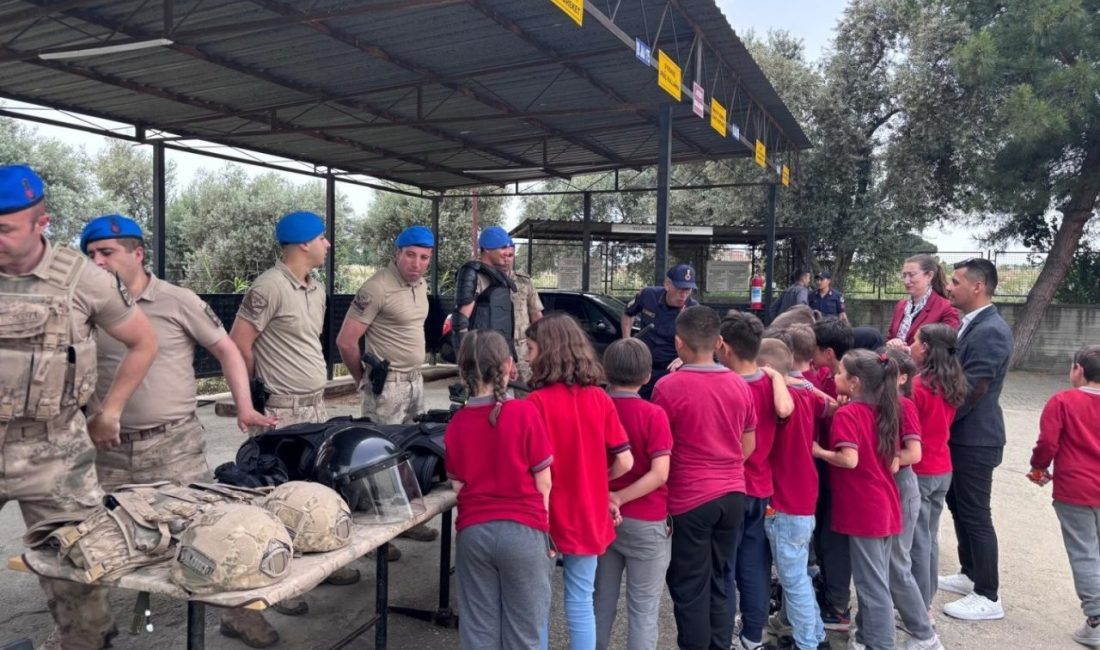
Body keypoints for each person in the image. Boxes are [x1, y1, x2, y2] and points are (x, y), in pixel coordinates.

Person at [0, 165, 158, 650]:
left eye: (5, 229)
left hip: (56, 453)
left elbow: (143, 342)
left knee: (79, 574)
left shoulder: (84, 280)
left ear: (41, 223)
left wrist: (109, 411)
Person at [226, 210, 359, 644]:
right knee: (279, 495)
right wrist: (256, 389)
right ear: (303, 243)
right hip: (282, 410)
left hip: (314, 406)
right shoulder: (269, 286)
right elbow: (239, 343)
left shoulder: (314, 287)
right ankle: (274, 582)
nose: (328, 244)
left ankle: (315, 567)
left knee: (315, 488)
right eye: (323, 237)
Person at [80, 215, 276, 491]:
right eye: (91, 255)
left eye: (106, 253)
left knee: (185, 525)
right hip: (107, 450)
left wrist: (244, 407)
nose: (97, 262)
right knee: (108, 529)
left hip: (173, 447)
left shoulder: (176, 300)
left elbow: (227, 350)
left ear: (137, 254)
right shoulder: (86, 308)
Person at [525, 313, 633, 649]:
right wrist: (599, 481)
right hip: (589, 513)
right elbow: (626, 461)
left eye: (530, 349)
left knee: (537, 606)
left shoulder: (534, 404)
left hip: (546, 517)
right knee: (580, 600)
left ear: (547, 352)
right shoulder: (600, 399)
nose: (526, 357)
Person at [652, 306, 756, 650]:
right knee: (721, 578)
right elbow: (748, 443)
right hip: (733, 495)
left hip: (690, 499)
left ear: (678, 343)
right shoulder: (740, 387)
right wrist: (724, 468)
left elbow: (661, 447)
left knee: (689, 585)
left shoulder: (668, 387)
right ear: (719, 342)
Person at [445, 329, 554, 650]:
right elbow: (543, 480)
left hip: (474, 534)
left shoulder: (458, 422)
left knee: (478, 632)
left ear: (462, 371)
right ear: (508, 366)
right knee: (525, 634)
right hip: (524, 531)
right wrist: (544, 531)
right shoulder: (524, 413)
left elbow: (457, 485)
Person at [335, 225, 440, 542]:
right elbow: (346, 341)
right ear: (397, 253)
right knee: (378, 459)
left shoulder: (419, 285)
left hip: (414, 381)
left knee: (409, 451)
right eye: (411, 255)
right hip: (388, 383)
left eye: (424, 258)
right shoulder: (377, 287)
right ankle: (375, 537)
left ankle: (405, 520)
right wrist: (363, 380)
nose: (417, 264)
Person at [812, 350, 903, 650]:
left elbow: (849, 459)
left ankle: (881, 644)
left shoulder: (850, 414)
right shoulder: (885, 409)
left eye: (839, 373)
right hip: (884, 503)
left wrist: (820, 452)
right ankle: (866, 636)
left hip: (864, 510)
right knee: (875, 579)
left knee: (871, 585)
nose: (833, 377)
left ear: (854, 383)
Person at [940, 257, 1012, 621]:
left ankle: (988, 595)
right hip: (962, 436)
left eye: (955, 281)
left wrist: (940, 421)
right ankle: (970, 574)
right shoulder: (973, 324)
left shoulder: (991, 331)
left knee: (975, 514)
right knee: (958, 507)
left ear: (977, 286)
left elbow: (973, 390)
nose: (949, 287)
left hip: (975, 439)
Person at [717, 312, 793, 650]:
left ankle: (724, 637)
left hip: (728, 488)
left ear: (725, 347)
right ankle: (752, 637)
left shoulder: (722, 384)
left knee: (724, 568)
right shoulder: (771, 384)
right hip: (762, 488)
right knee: (755, 567)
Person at [594, 338, 673, 650]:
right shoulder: (654, 415)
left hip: (600, 517)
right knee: (643, 609)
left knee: (600, 602)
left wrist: (611, 497)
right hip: (647, 519)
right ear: (646, 377)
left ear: (605, 372)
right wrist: (622, 498)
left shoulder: (596, 410)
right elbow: (660, 473)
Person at [757, 338, 833, 650]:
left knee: (794, 580)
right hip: (804, 497)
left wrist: (776, 379)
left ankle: (807, 643)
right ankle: (815, 635)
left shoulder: (780, 399)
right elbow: (831, 404)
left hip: (785, 504)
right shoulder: (806, 394)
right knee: (798, 575)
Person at [1029, 345, 1100, 648]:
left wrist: (1038, 468)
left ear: (1079, 369)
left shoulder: (1062, 401)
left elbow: (1048, 442)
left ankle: (1096, 618)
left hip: (1076, 488)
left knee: (1084, 552)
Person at [883, 348, 945, 650]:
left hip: (904, 486)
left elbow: (913, 453)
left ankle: (924, 631)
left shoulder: (904, 405)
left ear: (902, 377)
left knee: (898, 560)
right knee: (891, 559)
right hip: (890, 489)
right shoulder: (885, 403)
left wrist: (890, 458)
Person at [908, 324, 967, 610]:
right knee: (928, 537)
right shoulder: (953, 382)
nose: (911, 345)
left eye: (916, 341)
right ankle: (925, 598)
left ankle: (920, 605)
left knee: (918, 541)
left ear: (927, 348)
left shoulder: (918, 386)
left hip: (921, 469)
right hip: (942, 467)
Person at [809, 317, 856, 632]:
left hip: (839, 473)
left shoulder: (848, 384)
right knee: (825, 535)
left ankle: (838, 606)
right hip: (827, 469)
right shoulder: (828, 375)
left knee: (834, 537)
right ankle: (831, 592)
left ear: (827, 352)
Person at [452, 226, 543, 382]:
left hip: (523, 351)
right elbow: (461, 321)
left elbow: (537, 315)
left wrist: (544, 346)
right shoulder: (475, 276)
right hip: (491, 352)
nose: (508, 258)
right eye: (503, 254)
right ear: (487, 250)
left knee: (528, 400)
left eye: (511, 255)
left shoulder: (524, 280)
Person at [621, 263, 699, 400]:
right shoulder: (648, 295)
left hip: (672, 370)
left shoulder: (693, 309)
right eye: (680, 289)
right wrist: (626, 340)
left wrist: (685, 357)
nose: (684, 295)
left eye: (688, 290)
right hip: (644, 367)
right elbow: (628, 313)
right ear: (668, 284)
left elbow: (701, 340)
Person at [886, 254, 960, 349]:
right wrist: (892, 343)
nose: (906, 281)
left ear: (929, 276)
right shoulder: (901, 305)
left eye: (911, 275)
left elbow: (947, 346)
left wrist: (909, 350)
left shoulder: (945, 307)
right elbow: (890, 337)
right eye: (904, 275)